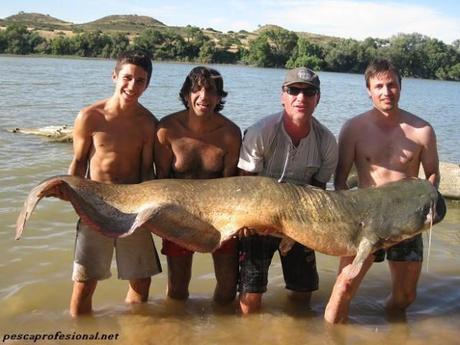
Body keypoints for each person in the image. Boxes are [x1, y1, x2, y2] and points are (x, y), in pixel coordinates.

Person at [324, 58, 440, 324]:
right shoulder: (353, 128)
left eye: (392, 85)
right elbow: (340, 179)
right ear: (368, 90)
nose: (386, 92)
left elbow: (432, 173)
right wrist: (346, 217)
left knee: (405, 297)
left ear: (401, 86)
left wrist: (430, 199)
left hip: (407, 220)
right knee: (343, 289)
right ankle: (330, 337)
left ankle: (390, 328)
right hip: (365, 221)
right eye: (379, 86)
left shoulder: (422, 130)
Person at [64, 51, 162, 317]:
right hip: (95, 204)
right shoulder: (89, 116)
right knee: (85, 282)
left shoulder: (148, 123)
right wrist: (76, 201)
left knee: (142, 281)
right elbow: (78, 164)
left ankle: (134, 330)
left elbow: (146, 171)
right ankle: (80, 331)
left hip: (134, 208)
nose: (132, 86)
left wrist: (152, 212)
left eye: (140, 81)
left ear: (147, 85)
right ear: (115, 76)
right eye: (127, 78)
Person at [237, 67, 338, 314]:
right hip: (258, 216)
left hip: (301, 219)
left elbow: (319, 192)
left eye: (309, 92)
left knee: (303, 296)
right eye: (293, 91)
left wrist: (296, 229)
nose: (300, 98)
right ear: (283, 96)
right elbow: (245, 183)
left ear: (318, 98)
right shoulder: (261, 132)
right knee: (250, 300)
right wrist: (252, 221)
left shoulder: (327, 141)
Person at [154, 66, 241, 303]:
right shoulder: (167, 130)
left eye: (211, 91)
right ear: (186, 94)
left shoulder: (230, 134)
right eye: (197, 90)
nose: (204, 97)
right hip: (178, 215)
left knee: (228, 288)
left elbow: (231, 184)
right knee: (178, 289)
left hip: (220, 216)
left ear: (219, 97)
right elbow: (160, 179)